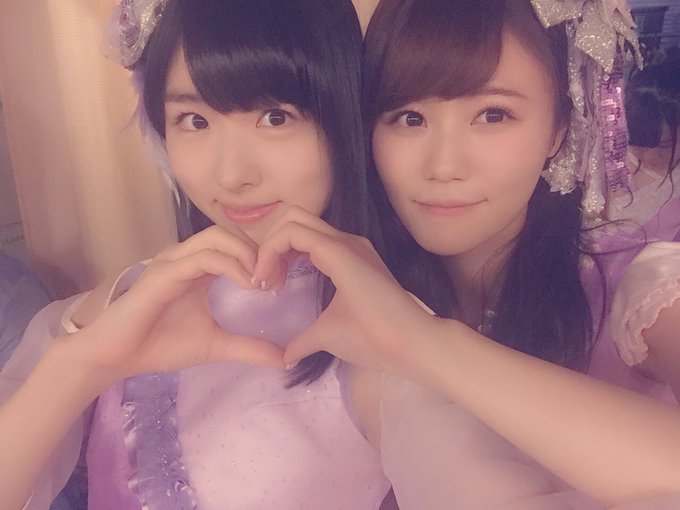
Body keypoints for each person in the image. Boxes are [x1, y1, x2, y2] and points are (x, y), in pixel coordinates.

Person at [250, 0, 680, 507]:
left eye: (493, 114)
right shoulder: (340, 305)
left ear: (558, 131)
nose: (444, 165)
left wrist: (422, 340)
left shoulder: (643, 288)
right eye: (410, 117)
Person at [0, 1, 390, 509]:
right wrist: (82, 366)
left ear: (344, 114)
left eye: (275, 117)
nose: (231, 174)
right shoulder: (135, 295)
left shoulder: (383, 323)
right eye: (194, 120)